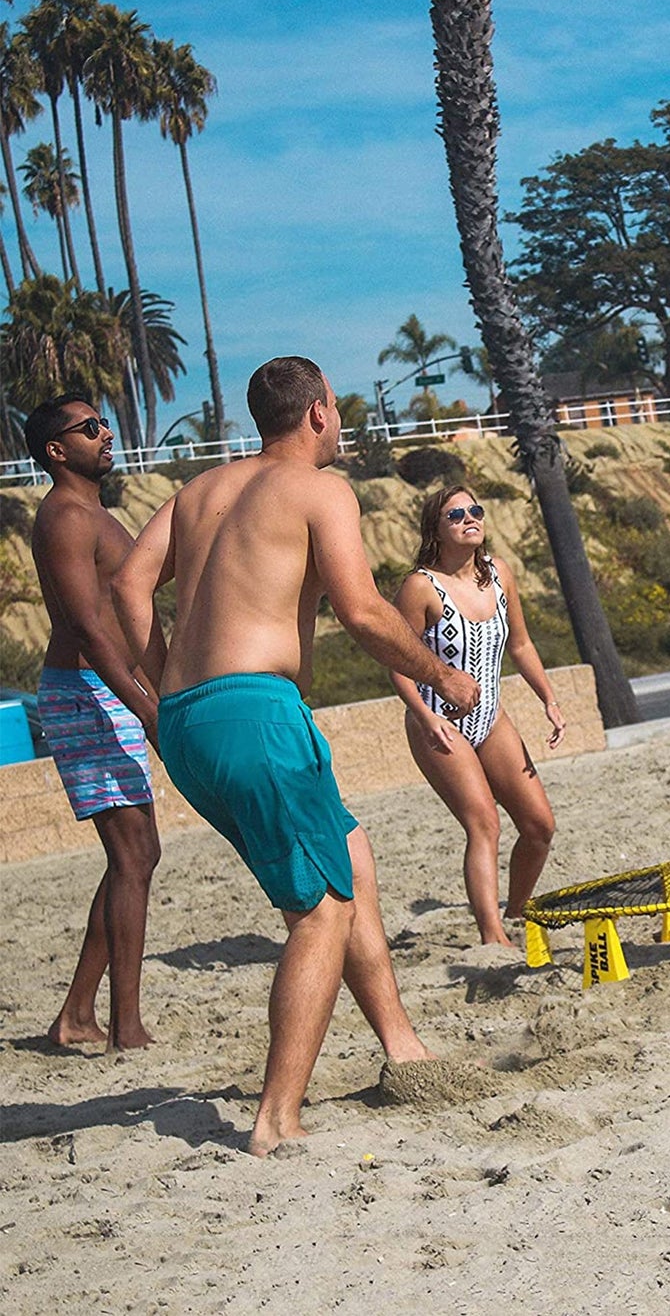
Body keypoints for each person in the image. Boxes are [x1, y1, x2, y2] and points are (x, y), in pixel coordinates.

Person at [112, 357, 480, 1157]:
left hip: (188, 722)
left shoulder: (198, 492)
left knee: (348, 858)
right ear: (318, 413)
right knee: (320, 911)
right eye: (336, 410)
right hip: (258, 713)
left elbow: (128, 585)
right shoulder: (320, 490)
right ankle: (277, 1117)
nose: (338, 423)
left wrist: (165, 675)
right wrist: (443, 673)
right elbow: (360, 610)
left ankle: (402, 1046)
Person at [24, 397, 162, 1050]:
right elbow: (85, 625)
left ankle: (78, 1014)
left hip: (107, 689)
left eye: (104, 422)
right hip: (86, 691)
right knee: (133, 855)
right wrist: (143, 704)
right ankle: (123, 1026)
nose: (105, 433)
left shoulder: (92, 513)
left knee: (136, 855)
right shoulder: (65, 518)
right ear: (56, 449)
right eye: (89, 428)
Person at [390, 485, 563, 947]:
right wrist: (425, 717)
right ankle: (493, 938)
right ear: (436, 531)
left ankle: (518, 911)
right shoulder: (421, 587)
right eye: (455, 515)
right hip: (438, 723)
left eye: (475, 511)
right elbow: (397, 660)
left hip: (491, 717)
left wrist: (548, 697)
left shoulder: (499, 574)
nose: (470, 518)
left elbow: (521, 644)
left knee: (539, 825)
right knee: (484, 821)